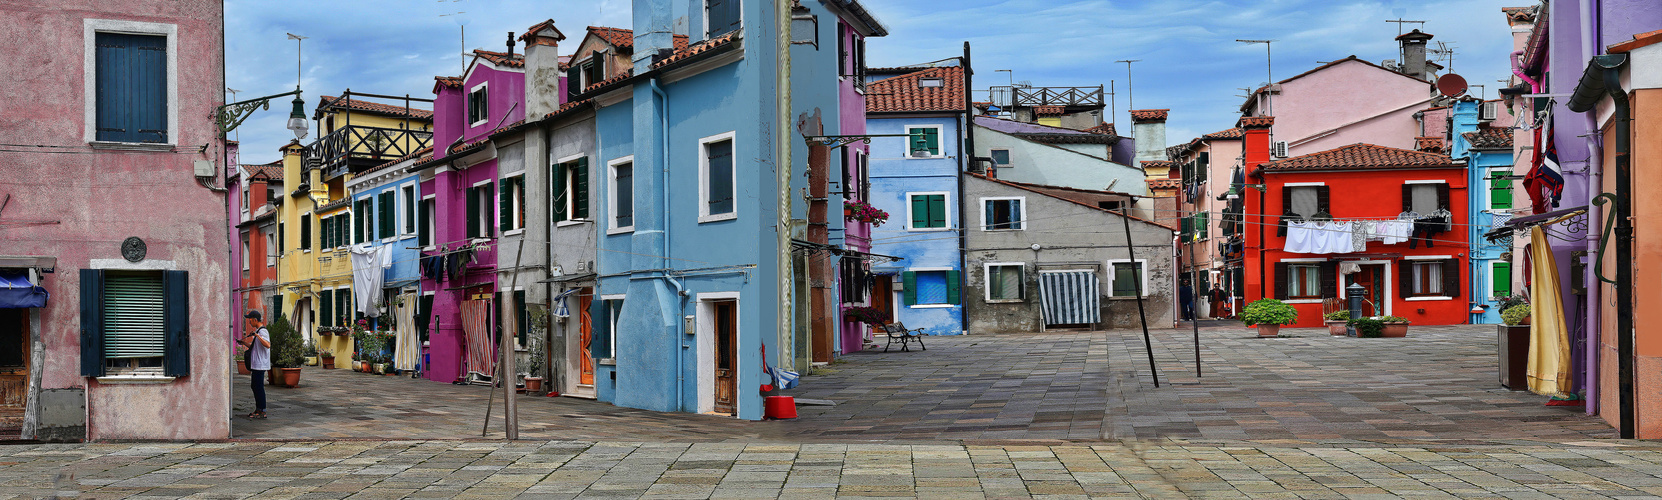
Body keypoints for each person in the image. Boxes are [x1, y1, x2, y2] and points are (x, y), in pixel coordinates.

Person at [240, 310, 271, 419]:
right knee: (255, 386)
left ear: (255, 320)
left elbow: (267, 345)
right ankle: (258, 409)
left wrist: (257, 335)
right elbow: (255, 347)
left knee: (259, 387)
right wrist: (243, 342)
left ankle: (262, 410)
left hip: (260, 364)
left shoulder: (263, 331)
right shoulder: (258, 331)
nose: (249, 322)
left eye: (250, 319)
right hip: (256, 364)